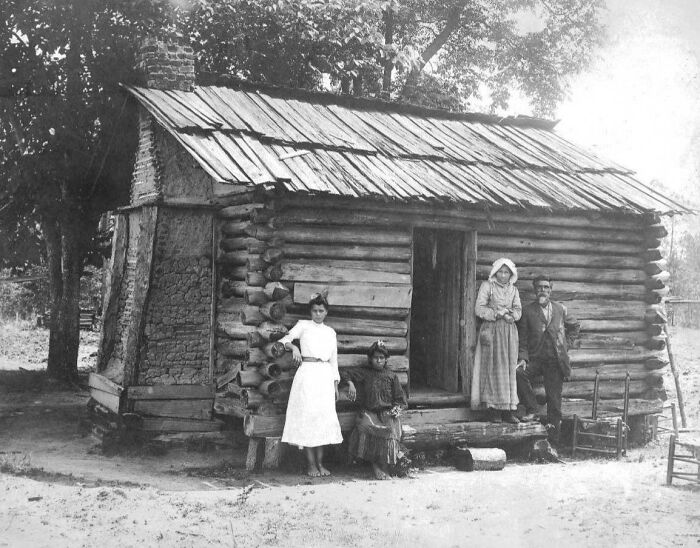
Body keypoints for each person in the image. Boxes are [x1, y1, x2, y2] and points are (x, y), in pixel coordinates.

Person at [279, 293, 343, 476]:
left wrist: (335, 386)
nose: (317, 314)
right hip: (307, 375)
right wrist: (295, 348)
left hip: (324, 377)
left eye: (321, 311)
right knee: (308, 419)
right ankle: (310, 465)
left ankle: (321, 464)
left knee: (321, 420)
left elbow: (334, 362)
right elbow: (284, 340)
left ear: (326, 312)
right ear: (310, 311)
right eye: (314, 310)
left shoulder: (330, 332)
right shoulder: (303, 325)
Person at [516, 275, 580, 444]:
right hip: (536, 359)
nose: (542, 290)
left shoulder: (560, 309)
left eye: (546, 287)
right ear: (534, 290)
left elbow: (574, 326)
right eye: (539, 287)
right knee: (519, 374)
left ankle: (554, 441)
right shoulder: (528, 311)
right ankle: (532, 408)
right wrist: (523, 358)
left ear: (551, 290)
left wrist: (566, 345)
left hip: (555, 361)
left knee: (554, 401)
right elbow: (522, 339)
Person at [342, 340, 407, 480]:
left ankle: (384, 467)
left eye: (382, 358)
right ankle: (375, 466)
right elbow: (346, 373)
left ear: (385, 359)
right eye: (375, 357)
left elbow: (400, 398)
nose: (378, 360)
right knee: (368, 427)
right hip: (368, 412)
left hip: (386, 412)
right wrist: (351, 384)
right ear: (370, 359)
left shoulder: (391, 376)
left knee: (390, 429)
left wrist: (396, 409)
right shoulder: (364, 372)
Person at [471, 258, 522, 423]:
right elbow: (479, 308)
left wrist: (510, 315)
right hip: (492, 330)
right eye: (500, 271)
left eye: (506, 272)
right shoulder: (488, 286)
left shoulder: (514, 290)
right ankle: (493, 410)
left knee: (508, 369)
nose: (503, 275)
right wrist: (496, 314)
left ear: (511, 274)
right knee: (493, 368)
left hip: (508, 333)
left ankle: (508, 411)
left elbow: (518, 311)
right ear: (495, 272)